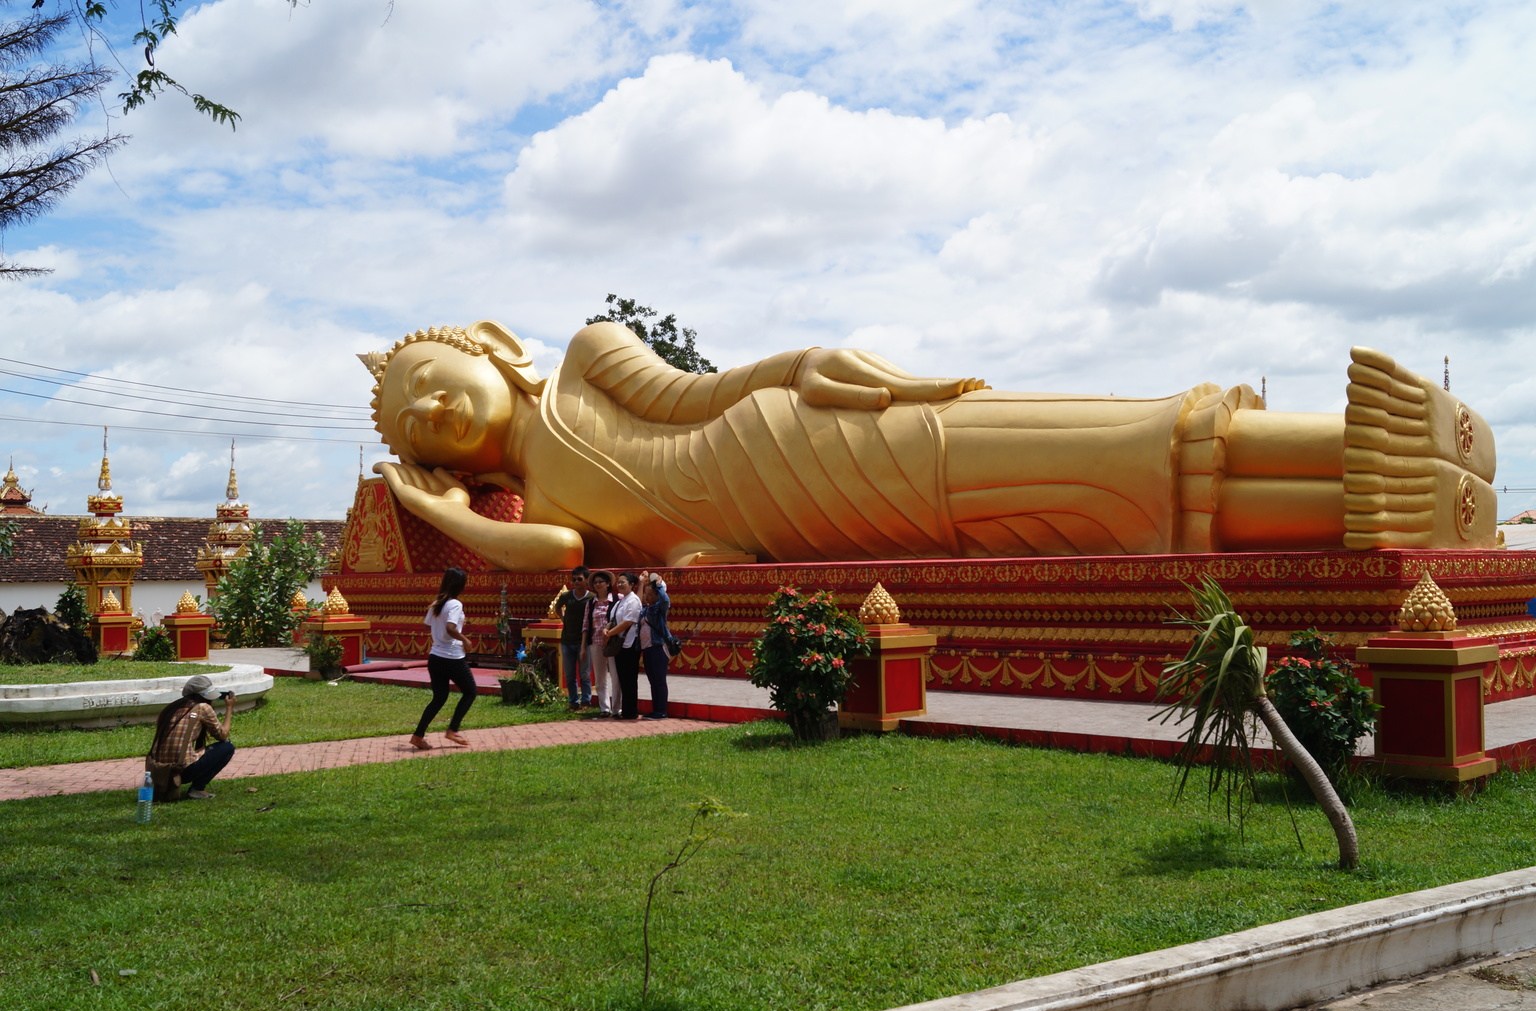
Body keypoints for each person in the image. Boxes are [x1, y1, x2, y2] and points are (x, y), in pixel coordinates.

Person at [363, 322, 1497, 569]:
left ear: (491, 346)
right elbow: (559, 555)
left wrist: (804, 363)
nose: (431, 410)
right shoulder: (545, 511)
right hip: (800, 527)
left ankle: (1362, 440)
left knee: (1086, 437)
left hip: (798, 435)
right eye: (416, 426)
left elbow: (694, 390)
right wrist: (436, 510)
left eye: (430, 380)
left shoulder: (582, 358)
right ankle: (1366, 509)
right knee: (1073, 507)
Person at [411, 566, 476, 750]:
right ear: (460, 585)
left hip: (435, 657)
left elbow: (426, 626)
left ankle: (418, 735)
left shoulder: (437, 604)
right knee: (470, 692)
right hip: (452, 657)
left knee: (439, 698)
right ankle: (452, 730)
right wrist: (465, 640)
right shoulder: (455, 604)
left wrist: (439, 629)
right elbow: (450, 628)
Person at [145, 675, 235, 801]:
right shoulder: (202, 708)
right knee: (227, 747)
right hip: (180, 771)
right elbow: (223, 735)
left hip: (159, 771)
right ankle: (197, 789)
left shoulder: (171, 708)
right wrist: (229, 708)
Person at [555, 566, 594, 711]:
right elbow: (557, 607)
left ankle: (586, 701)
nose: (576, 582)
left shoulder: (592, 598)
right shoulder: (567, 596)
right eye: (574, 579)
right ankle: (573, 701)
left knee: (584, 673)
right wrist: (563, 618)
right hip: (567, 640)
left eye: (579, 579)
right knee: (569, 674)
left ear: (586, 580)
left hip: (584, 641)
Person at [607, 571, 644, 719]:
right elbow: (612, 620)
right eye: (619, 582)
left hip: (630, 643)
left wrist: (610, 633)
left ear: (632, 585)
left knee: (629, 679)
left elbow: (628, 622)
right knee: (622, 677)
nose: (620, 584)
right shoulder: (620, 601)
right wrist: (606, 630)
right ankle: (625, 709)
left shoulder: (633, 600)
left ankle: (630, 711)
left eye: (623, 582)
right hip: (619, 645)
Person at [583, 571, 618, 717]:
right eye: (595, 582)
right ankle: (605, 708)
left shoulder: (617, 599)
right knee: (600, 677)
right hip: (596, 643)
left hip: (613, 643)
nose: (598, 584)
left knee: (616, 676)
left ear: (608, 584)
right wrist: (583, 646)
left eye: (601, 582)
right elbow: (586, 626)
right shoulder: (591, 603)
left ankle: (617, 708)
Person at [638, 572, 672, 720]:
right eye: (646, 594)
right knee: (653, 681)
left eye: (651, 594)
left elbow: (665, 600)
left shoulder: (660, 608)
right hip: (647, 648)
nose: (647, 597)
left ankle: (662, 711)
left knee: (659, 680)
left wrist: (659, 587)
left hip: (658, 647)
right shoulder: (645, 609)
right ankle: (656, 709)